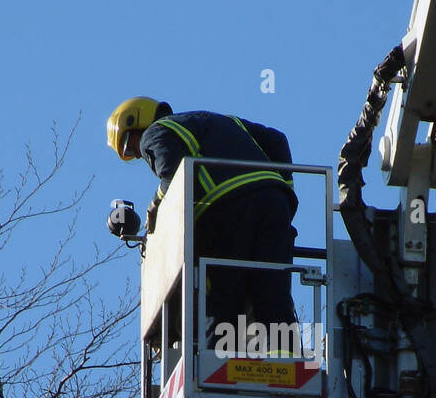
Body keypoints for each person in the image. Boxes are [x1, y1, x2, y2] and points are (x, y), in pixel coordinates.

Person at [106, 98, 299, 350]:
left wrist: (156, 206)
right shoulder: (221, 121)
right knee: (272, 291)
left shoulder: (155, 132)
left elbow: (174, 175)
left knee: (220, 299)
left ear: (136, 123)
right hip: (274, 204)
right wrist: (283, 189)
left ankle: (215, 368)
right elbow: (277, 139)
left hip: (226, 209)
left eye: (130, 148)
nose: (138, 154)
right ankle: (285, 361)